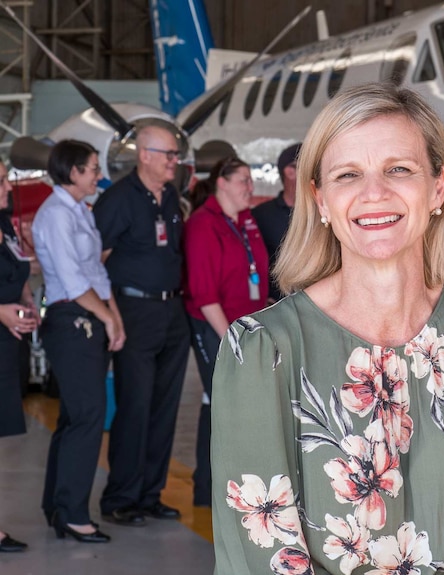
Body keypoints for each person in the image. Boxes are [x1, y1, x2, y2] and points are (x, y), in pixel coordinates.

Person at [210, 83, 444, 575]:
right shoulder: (264, 349)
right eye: (348, 174)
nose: (374, 193)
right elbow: (261, 558)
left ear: (439, 187)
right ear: (321, 200)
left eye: (399, 169)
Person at [93, 124, 190, 526]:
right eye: (168, 154)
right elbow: (93, 261)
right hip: (134, 312)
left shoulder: (169, 198)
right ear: (144, 155)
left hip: (171, 313)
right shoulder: (118, 200)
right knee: (135, 406)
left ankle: (150, 494)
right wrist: (111, 314)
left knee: (164, 408)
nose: (175, 161)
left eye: (176, 154)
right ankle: (121, 498)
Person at [32, 140, 126, 543]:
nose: (97, 176)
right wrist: (105, 317)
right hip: (72, 320)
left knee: (75, 417)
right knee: (88, 416)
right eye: (90, 168)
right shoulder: (55, 215)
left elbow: (95, 271)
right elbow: (72, 281)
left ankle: (58, 506)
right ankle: (72, 513)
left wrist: (114, 316)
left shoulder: (78, 211)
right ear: (72, 172)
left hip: (90, 315)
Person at [183, 156, 269, 506]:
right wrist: (231, 340)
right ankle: (207, 488)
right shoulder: (203, 225)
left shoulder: (246, 220)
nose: (250, 187)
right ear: (222, 183)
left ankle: (227, 484)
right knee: (220, 401)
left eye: (250, 180)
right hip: (216, 328)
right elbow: (205, 294)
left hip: (246, 327)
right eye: (243, 180)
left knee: (234, 404)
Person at [0, 161, 38, 553]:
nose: (7, 188)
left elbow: (15, 271)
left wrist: (26, 301)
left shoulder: (5, 223)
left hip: (6, 345)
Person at [252, 142, 301, 302]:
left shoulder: (324, 211)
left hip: (320, 306)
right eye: (308, 166)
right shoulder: (261, 215)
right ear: (290, 172)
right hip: (277, 307)